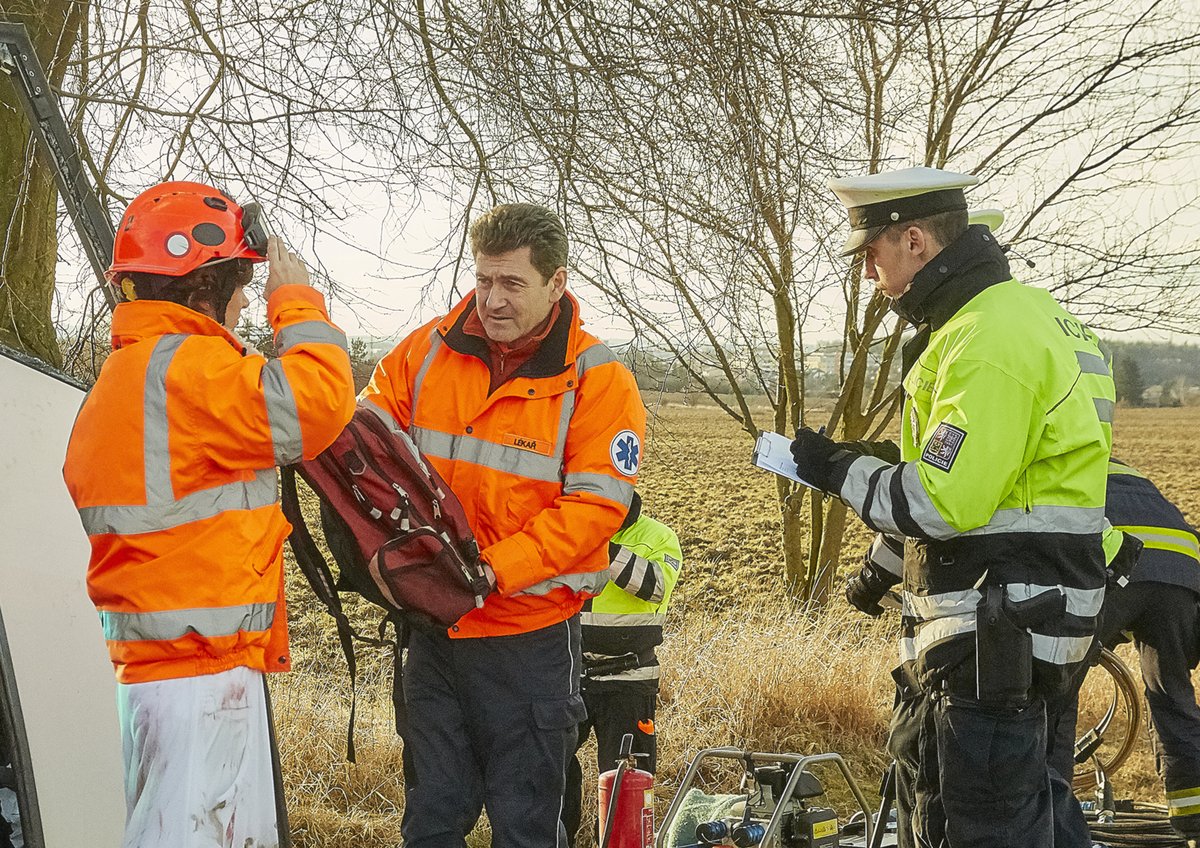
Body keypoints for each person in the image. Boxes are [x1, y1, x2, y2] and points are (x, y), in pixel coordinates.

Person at [792, 166, 1115, 848]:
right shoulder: (1037, 316)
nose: (869, 275)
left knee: (974, 827)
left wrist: (838, 470)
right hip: (1036, 632)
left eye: (871, 254)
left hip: (990, 641)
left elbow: (943, 502)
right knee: (1043, 821)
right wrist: (873, 458)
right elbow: (1009, 471)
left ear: (913, 240)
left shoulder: (983, 337)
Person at [62, 181, 356, 848]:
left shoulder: (134, 373)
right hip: (197, 670)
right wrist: (298, 303)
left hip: (181, 665)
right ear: (202, 289)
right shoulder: (186, 368)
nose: (247, 299)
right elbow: (314, 406)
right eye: (239, 284)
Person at [361, 202, 646, 848]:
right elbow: (365, 447)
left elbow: (591, 512)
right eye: (483, 279)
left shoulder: (598, 382)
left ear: (557, 282)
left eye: (512, 283)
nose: (491, 299)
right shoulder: (423, 353)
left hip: (530, 641)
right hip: (434, 633)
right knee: (430, 822)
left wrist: (491, 572)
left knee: (527, 829)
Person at [1046, 459, 1200, 847]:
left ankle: (1048, 824)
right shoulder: (1133, 475)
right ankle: (1195, 824)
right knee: (1173, 698)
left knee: (1055, 696)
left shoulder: (1059, 465)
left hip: (1115, 560)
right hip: (1181, 571)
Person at [562, 492, 683, 848]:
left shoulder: (658, 536)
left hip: (629, 680)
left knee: (626, 780)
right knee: (549, 767)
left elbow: (655, 586)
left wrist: (602, 544)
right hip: (569, 675)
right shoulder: (570, 531)